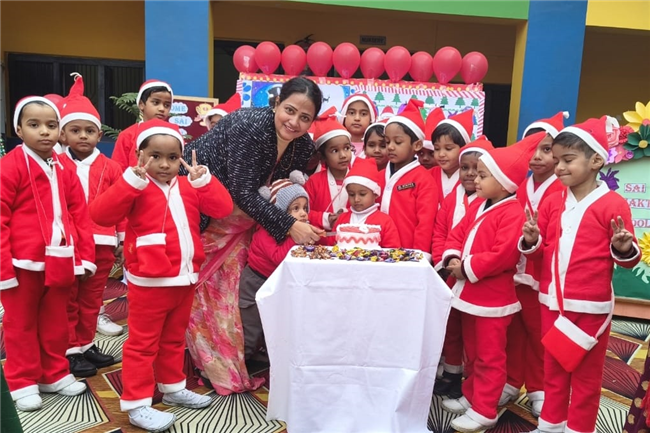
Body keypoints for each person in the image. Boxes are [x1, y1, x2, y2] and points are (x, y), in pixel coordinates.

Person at [182, 77, 324, 395]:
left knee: (229, 293)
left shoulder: (303, 145)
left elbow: (280, 190)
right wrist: (290, 226)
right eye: (290, 110)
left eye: (305, 117)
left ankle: (224, 356)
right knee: (204, 291)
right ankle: (207, 360)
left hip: (242, 223)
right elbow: (243, 192)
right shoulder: (249, 126)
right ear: (277, 103)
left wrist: (302, 219)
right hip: (205, 211)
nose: (294, 122)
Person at [90, 119, 234, 431]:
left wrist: (204, 180)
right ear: (140, 155)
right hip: (149, 282)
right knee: (142, 344)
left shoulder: (188, 187)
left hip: (185, 279)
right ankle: (136, 404)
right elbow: (100, 214)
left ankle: (172, 387)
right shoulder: (135, 187)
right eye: (155, 156)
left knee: (173, 339)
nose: (165, 164)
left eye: (172, 157)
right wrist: (130, 182)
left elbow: (222, 208)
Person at [520, 117, 640, 433]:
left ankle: (579, 429)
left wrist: (623, 247)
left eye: (568, 160)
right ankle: (550, 425)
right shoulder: (552, 202)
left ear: (596, 160)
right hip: (551, 303)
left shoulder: (613, 204)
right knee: (553, 370)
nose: (558, 167)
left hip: (590, 309)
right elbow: (540, 254)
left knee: (586, 377)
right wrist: (532, 242)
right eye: (557, 159)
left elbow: (628, 260)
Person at [440, 132, 546, 432]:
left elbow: (502, 255)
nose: (475, 179)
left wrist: (466, 267)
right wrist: (452, 257)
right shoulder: (479, 205)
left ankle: (485, 409)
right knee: (474, 354)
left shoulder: (512, 213)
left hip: (492, 299)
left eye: (483, 175)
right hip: (469, 294)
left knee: (490, 356)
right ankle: (473, 395)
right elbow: (457, 233)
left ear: (503, 182)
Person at [0, 97, 93, 412]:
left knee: (55, 321)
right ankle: (22, 381)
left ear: (60, 131)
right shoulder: (9, 166)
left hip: (60, 257)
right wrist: (3, 270)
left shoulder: (64, 167)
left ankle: (53, 373)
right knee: (21, 323)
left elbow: (79, 213)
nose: (44, 131)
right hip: (21, 262)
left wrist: (83, 257)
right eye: (34, 125)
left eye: (51, 125)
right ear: (18, 129)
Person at [500, 112, 568, 414]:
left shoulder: (563, 189)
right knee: (513, 332)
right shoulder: (517, 185)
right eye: (532, 149)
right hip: (513, 272)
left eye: (547, 149)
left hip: (542, 275)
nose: (538, 156)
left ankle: (539, 387)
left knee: (540, 333)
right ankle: (511, 381)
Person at [58, 74, 122, 377]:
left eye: (89, 130)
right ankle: (69, 350)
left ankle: (85, 345)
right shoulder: (57, 165)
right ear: (62, 134)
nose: (83, 136)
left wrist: (122, 237)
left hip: (102, 242)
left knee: (93, 298)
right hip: (69, 245)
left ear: (99, 135)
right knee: (68, 298)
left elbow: (121, 204)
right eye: (75, 130)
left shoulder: (111, 167)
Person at [431, 137, 493, 399]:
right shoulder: (450, 199)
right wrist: (443, 262)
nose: (469, 174)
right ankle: (451, 372)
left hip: (474, 276)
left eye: (477, 170)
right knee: (450, 326)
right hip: (448, 272)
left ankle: (468, 379)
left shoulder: (487, 201)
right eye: (465, 168)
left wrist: (465, 266)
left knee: (472, 333)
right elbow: (440, 232)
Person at [240, 172, 309, 361]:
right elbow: (279, 258)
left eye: (305, 208)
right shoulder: (265, 232)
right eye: (295, 208)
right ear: (278, 212)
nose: (303, 213)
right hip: (255, 283)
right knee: (251, 327)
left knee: (273, 324)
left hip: (275, 283)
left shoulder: (297, 231)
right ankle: (242, 363)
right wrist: (298, 238)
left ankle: (265, 360)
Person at [380, 98, 437, 255]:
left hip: (407, 254)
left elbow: (425, 224)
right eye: (387, 142)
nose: (391, 147)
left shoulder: (424, 181)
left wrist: (418, 256)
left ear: (417, 145)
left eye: (398, 142)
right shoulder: (378, 176)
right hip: (375, 252)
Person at [325, 158, 401, 247]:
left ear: (375, 194)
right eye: (351, 194)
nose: (356, 199)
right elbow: (331, 245)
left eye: (362, 194)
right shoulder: (342, 219)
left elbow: (392, 249)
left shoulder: (385, 221)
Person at [304, 107, 353, 231]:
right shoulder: (314, 182)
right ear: (322, 156)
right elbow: (303, 212)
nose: (343, 155)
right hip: (320, 241)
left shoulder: (359, 179)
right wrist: (326, 218)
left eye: (347, 148)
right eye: (335, 151)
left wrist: (345, 216)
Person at [111, 79, 173, 171]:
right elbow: (118, 170)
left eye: (167, 105)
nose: (162, 109)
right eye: (156, 103)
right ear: (141, 104)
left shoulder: (173, 135)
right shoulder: (127, 135)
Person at [431, 110, 474, 208]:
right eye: (437, 148)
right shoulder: (428, 175)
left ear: (463, 148)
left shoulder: (470, 178)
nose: (441, 154)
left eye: (448, 148)